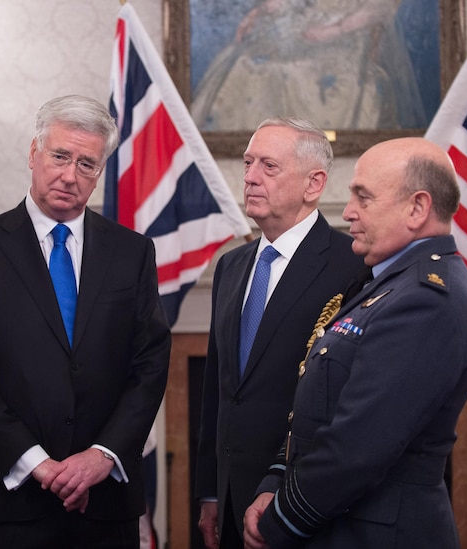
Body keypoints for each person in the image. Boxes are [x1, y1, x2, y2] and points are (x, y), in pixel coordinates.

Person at [0, 95, 171, 549]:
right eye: (60, 156)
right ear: (33, 153)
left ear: (101, 172)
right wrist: (38, 464)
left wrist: (102, 456)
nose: (70, 175)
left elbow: (150, 364)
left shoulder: (133, 252)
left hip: (107, 507)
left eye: (87, 164)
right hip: (13, 503)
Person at [242, 137, 467, 549]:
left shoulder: (424, 299)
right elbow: (315, 410)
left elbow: (358, 448)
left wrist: (279, 521)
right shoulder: (387, 283)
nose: (348, 212)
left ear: (417, 208)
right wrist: (275, 479)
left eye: (362, 197)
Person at [193, 117, 364, 549]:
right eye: (249, 163)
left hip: (304, 505)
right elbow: (219, 390)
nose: (249, 177)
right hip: (230, 499)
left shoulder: (354, 266)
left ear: (314, 184)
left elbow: (346, 400)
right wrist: (210, 489)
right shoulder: (231, 266)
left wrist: (287, 488)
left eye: (269, 166)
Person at [190, 0, 427, 132]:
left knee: (288, 74)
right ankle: (249, 144)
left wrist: (335, 30)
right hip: (306, 35)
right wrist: (258, 12)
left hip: (347, 45)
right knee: (241, 62)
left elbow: (381, 8)